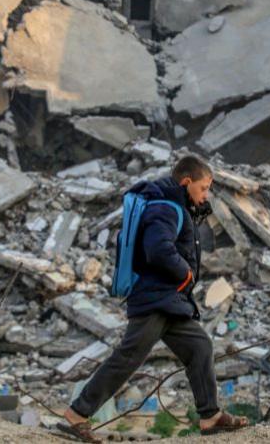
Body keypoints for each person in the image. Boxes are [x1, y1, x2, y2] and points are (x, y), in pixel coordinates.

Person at [58, 155, 249, 442]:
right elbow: (157, 249)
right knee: (128, 358)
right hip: (155, 301)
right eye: (203, 188)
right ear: (186, 182)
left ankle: (210, 417)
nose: (205, 195)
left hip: (168, 301)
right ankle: (77, 414)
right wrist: (184, 272)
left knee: (199, 347)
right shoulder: (165, 208)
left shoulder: (173, 205)